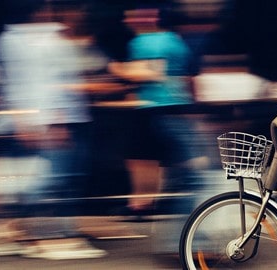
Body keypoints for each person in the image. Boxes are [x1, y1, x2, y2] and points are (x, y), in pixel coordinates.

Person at [0, 0, 105, 260]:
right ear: (40, 12)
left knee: (55, 178)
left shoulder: (9, 39)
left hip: (46, 119)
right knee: (53, 179)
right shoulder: (40, 40)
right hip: (54, 120)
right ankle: (47, 236)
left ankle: (52, 232)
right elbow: (42, 83)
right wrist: (53, 121)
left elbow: (14, 83)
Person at [107, 2, 204, 263]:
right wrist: (193, 108)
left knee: (193, 177)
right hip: (175, 110)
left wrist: (115, 69)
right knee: (188, 175)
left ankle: (180, 238)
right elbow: (188, 79)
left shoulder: (145, 41)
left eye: (132, 13)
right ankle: (178, 234)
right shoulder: (175, 40)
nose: (127, 18)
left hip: (156, 112)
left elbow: (150, 73)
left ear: (148, 17)